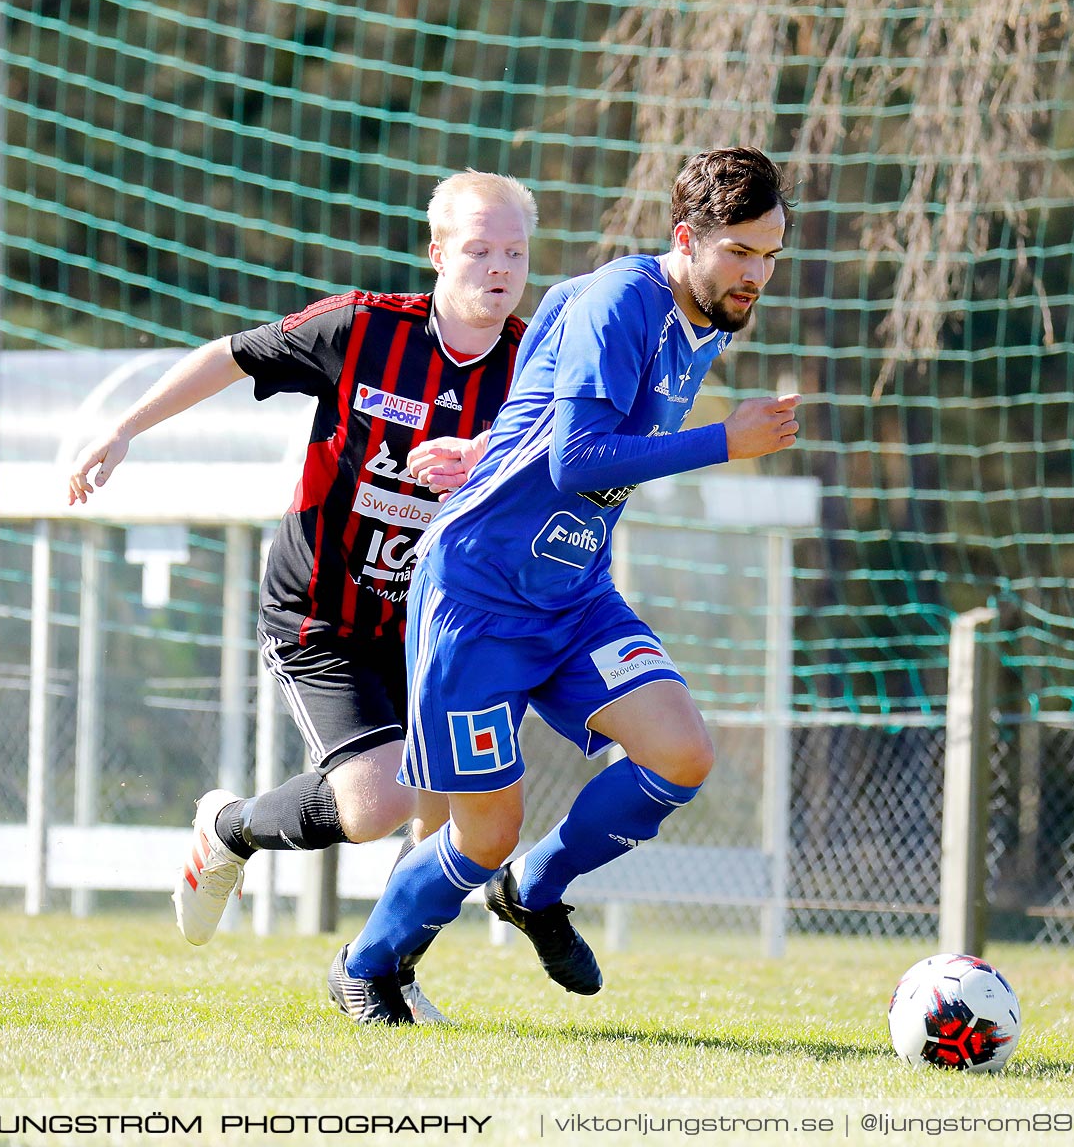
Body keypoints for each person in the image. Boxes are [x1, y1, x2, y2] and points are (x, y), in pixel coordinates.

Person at [327, 147, 800, 1024]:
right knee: (479, 833)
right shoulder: (623, 300)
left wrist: (493, 444)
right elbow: (578, 458)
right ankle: (367, 963)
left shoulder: (706, 314)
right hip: (479, 595)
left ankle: (535, 891)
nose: (755, 275)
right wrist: (722, 442)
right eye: (739, 252)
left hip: (575, 591)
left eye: (770, 255)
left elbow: (547, 366)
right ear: (686, 236)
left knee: (683, 752)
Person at [66, 171, 537, 1023]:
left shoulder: (534, 368)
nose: (498, 267)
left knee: (450, 823)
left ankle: (385, 970)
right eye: (478, 250)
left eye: (514, 251)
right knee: (376, 805)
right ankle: (231, 830)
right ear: (438, 255)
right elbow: (228, 355)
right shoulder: (360, 329)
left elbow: (565, 471)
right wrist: (122, 428)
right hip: (324, 615)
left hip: (435, 625)